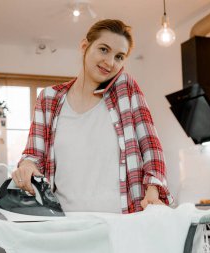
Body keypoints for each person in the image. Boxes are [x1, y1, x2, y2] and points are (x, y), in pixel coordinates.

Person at [12, 19, 173, 214]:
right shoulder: (49, 98)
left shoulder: (125, 88)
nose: (110, 62)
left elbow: (151, 146)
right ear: (84, 46)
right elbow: (33, 155)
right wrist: (27, 166)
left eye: (119, 56)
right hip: (66, 225)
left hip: (122, 223)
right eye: (104, 49)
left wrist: (153, 190)